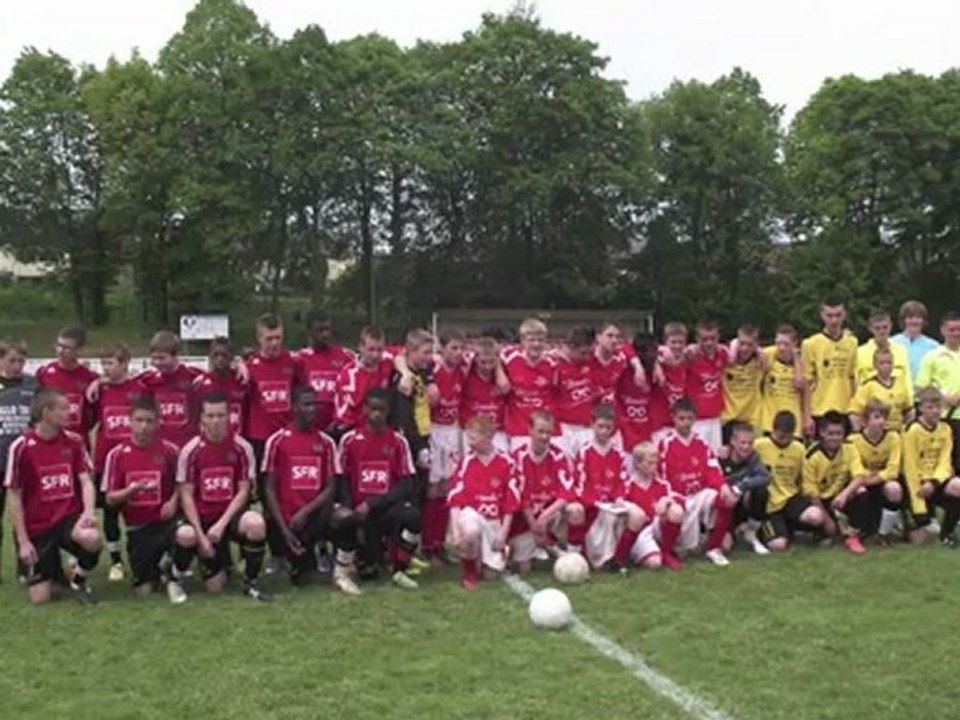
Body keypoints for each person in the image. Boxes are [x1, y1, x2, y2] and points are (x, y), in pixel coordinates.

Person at [4, 389, 101, 604]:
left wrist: (88, 512)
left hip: (67, 519)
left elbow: (86, 481)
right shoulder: (21, 447)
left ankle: (78, 576)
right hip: (38, 527)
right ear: (46, 412)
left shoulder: (74, 441)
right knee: (41, 599)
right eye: (63, 408)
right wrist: (23, 541)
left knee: (91, 538)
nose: (70, 412)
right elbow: (14, 496)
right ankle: (54, 570)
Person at [262, 385, 359, 594]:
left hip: (317, 513)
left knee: (347, 518)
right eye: (306, 404)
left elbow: (331, 486)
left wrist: (307, 511)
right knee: (301, 578)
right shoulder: (277, 441)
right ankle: (303, 560)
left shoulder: (325, 442)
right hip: (291, 520)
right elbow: (269, 489)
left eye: (314, 404)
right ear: (294, 407)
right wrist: (285, 530)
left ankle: (342, 571)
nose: (312, 409)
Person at [175, 391, 270, 601]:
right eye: (210, 416)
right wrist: (201, 536)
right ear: (201, 418)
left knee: (255, 523)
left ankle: (251, 582)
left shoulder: (242, 448)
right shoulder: (190, 450)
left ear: (230, 417)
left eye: (220, 415)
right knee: (214, 587)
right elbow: (187, 496)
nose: (216, 421)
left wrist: (221, 524)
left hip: (229, 517)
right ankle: (175, 571)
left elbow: (244, 491)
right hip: (203, 520)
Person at [103, 396, 187, 603]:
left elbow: (182, 483)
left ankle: (173, 573)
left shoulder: (170, 451)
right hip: (138, 528)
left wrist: (174, 499)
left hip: (166, 523)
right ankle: (161, 567)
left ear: (158, 422)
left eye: (149, 421)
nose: (144, 426)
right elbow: (110, 499)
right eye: (139, 420)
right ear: (129, 421)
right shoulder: (117, 455)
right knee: (144, 591)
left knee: (187, 534)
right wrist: (130, 491)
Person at [338, 388, 422, 590]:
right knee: (369, 574)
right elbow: (341, 479)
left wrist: (374, 502)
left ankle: (400, 568)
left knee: (414, 517)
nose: (377, 414)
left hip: (386, 507)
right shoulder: (350, 440)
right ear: (365, 409)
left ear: (388, 412)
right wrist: (350, 507)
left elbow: (406, 483)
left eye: (382, 410)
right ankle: (352, 563)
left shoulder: (398, 441)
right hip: (361, 512)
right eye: (373, 409)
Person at [243, 314, 298, 574]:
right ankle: (271, 553)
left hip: (288, 441)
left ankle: (293, 548)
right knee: (267, 499)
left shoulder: (293, 363)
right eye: (269, 339)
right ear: (259, 338)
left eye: (278, 338)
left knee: (290, 495)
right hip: (260, 441)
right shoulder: (249, 366)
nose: (274, 343)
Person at [90, 342, 147, 582]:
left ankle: (145, 556)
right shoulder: (100, 390)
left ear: (125, 363)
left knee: (139, 511)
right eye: (103, 363)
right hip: (105, 463)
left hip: (134, 462)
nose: (106, 368)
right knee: (110, 513)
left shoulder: (140, 388)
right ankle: (116, 562)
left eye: (110, 362)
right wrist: (96, 383)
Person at [657, 397, 735, 566]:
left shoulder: (701, 442)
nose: (686, 423)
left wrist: (722, 486)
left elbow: (712, 470)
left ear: (695, 419)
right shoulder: (666, 444)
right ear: (674, 418)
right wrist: (674, 498)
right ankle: (667, 552)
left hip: (699, 494)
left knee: (727, 498)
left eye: (690, 418)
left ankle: (714, 549)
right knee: (675, 513)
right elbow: (662, 479)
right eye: (681, 418)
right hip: (678, 495)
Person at [448, 415, 518, 590]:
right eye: (468, 438)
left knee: (492, 575)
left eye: (473, 438)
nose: (469, 443)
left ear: (488, 437)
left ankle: (484, 558)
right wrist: (456, 531)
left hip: (494, 522)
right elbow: (455, 499)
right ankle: (470, 573)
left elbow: (511, 503)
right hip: (473, 516)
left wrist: (502, 534)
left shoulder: (507, 463)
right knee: (470, 530)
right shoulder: (466, 463)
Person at [566, 404, 636, 569]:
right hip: (592, 503)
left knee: (627, 514)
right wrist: (595, 501)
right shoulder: (585, 452)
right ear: (592, 425)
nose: (604, 431)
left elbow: (622, 480)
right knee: (603, 515)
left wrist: (619, 498)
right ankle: (595, 558)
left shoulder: (618, 454)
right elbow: (580, 484)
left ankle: (617, 558)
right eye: (600, 426)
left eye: (608, 427)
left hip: (611, 503)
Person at [508, 411, 574, 572]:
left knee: (574, 510)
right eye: (540, 431)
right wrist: (532, 522)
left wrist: (545, 516)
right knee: (525, 569)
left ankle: (566, 548)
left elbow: (567, 492)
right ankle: (531, 546)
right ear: (530, 430)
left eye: (549, 432)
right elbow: (519, 495)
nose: (545, 436)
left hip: (548, 515)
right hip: (525, 519)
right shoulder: (517, 457)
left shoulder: (558, 456)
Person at [424, 330, 466, 564]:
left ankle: (440, 543)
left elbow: (493, 354)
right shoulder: (433, 368)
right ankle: (428, 544)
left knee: (446, 488)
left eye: (461, 348)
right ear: (443, 349)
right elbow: (400, 355)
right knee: (432, 489)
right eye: (453, 348)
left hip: (451, 431)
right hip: (433, 430)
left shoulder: (462, 369)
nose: (458, 353)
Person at [802, 412, 870, 554]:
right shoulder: (811, 456)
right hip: (820, 501)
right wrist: (827, 520)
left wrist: (844, 494)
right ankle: (823, 531)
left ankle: (853, 534)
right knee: (818, 520)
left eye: (839, 433)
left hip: (839, 497)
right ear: (821, 433)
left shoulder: (849, 448)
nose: (835, 438)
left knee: (861, 491)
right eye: (831, 433)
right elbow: (811, 493)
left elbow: (860, 476)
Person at [755, 411, 824, 552]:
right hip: (770, 504)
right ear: (773, 430)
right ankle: (763, 528)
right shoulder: (759, 445)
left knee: (816, 516)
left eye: (788, 437)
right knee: (778, 546)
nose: (784, 440)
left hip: (790, 498)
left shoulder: (798, 449)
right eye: (780, 436)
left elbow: (802, 478)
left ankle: (788, 526)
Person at [901, 387, 960, 546]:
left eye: (938, 407)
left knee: (957, 486)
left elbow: (945, 463)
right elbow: (910, 468)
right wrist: (919, 506)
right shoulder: (912, 431)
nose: (935, 411)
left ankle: (946, 535)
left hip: (934, 482)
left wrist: (934, 482)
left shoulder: (945, 429)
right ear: (920, 409)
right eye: (930, 407)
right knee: (921, 538)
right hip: (916, 487)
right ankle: (912, 521)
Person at [0, 339, 38, 581]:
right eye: (12, 360)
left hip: (22, 461)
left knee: (22, 517)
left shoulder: (33, 385)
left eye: (21, 361)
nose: (17, 365)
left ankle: (24, 568)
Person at [846, 400, 903, 546]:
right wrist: (872, 476)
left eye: (884, 417)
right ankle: (857, 530)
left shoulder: (893, 437)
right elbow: (856, 470)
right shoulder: (853, 440)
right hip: (862, 482)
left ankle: (883, 534)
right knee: (858, 489)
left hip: (877, 481)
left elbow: (893, 470)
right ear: (865, 420)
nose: (882, 421)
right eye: (877, 417)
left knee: (895, 489)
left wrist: (874, 478)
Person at [801, 296, 858, 437]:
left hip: (844, 409)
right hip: (819, 410)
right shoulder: (810, 344)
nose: (834, 320)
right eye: (829, 315)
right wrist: (807, 415)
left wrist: (855, 410)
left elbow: (853, 378)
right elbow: (806, 383)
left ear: (844, 315)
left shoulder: (852, 342)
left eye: (838, 315)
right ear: (822, 316)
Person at [624, 442, 685, 570]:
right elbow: (618, 502)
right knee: (654, 563)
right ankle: (631, 555)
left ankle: (667, 552)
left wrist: (667, 500)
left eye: (656, 463)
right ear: (638, 464)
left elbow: (681, 498)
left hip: (657, 527)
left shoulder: (662, 484)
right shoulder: (628, 485)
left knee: (676, 511)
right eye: (650, 463)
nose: (654, 467)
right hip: (640, 532)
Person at [500, 318, 557, 452]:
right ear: (523, 341)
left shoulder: (553, 363)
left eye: (541, 340)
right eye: (531, 340)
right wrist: (499, 373)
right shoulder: (509, 358)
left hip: (544, 432)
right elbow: (487, 355)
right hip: (519, 431)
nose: (536, 344)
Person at [138, 331, 202, 449]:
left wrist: (241, 367)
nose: (157, 363)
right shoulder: (147, 380)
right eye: (154, 358)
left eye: (162, 358)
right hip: (160, 449)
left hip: (188, 446)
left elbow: (221, 379)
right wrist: (99, 382)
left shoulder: (194, 377)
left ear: (176, 355)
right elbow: (121, 382)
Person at [294, 309, 355, 432]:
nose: (325, 334)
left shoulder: (346, 356)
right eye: (320, 330)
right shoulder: (299, 358)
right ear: (310, 332)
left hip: (338, 427)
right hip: (311, 427)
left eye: (327, 329)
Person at [916, 312, 960, 470]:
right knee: (944, 464)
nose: (956, 333)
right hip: (941, 418)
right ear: (942, 330)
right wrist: (943, 398)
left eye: (958, 329)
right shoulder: (932, 356)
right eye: (952, 329)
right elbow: (921, 388)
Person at [36, 325, 98, 437]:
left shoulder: (90, 378)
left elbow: (94, 415)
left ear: (80, 350)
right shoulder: (44, 374)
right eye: (59, 345)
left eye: (67, 347)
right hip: (50, 440)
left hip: (78, 441)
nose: (60, 351)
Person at [719, 422, 771, 555]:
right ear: (733, 441)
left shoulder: (754, 457)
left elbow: (765, 477)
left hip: (741, 504)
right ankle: (725, 531)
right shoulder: (721, 459)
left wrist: (740, 487)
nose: (746, 447)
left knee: (761, 491)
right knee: (725, 547)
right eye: (742, 443)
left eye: (750, 443)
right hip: (723, 507)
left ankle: (751, 532)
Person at [333, 326, 393, 437]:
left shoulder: (387, 362)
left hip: (381, 430)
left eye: (379, 350)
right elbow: (343, 417)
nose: (375, 355)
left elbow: (406, 353)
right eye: (371, 349)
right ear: (361, 347)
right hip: (354, 432)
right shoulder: (349, 375)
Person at [685, 321, 729, 451]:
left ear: (718, 338)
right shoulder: (690, 356)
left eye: (712, 339)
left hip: (716, 418)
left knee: (714, 459)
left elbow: (739, 345)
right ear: (697, 339)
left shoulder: (723, 354)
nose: (709, 343)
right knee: (697, 457)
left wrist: (758, 350)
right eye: (704, 339)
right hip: (697, 419)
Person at [460, 336, 509, 453]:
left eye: (491, 361)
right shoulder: (467, 372)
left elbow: (505, 388)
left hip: (496, 432)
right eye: (483, 362)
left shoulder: (502, 371)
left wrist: (497, 366)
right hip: (472, 432)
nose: (487, 366)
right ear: (476, 358)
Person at [554, 327, 597, 458]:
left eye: (589, 353)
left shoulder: (591, 362)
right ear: (570, 347)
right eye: (583, 353)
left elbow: (625, 348)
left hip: (587, 427)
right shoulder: (553, 364)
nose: (587, 357)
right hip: (564, 429)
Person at [192, 337, 249, 437]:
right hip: (210, 441)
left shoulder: (242, 381)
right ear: (210, 356)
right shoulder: (199, 383)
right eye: (216, 355)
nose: (220, 359)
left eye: (224, 355)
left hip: (238, 440)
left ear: (231, 357)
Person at [848, 346, 913, 432]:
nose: (886, 366)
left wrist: (908, 428)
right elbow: (854, 413)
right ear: (875, 365)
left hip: (897, 434)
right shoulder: (868, 386)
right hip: (877, 434)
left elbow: (909, 411)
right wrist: (860, 432)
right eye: (882, 363)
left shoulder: (900, 384)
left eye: (889, 362)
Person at [721, 325, 765, 442]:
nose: (744, 348)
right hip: (727, 419)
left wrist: (760, 351)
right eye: (742, 343)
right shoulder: (724, 359)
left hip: (751, 419)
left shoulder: (760, 361)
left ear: (756, 344)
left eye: (750, 344)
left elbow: (786, 348)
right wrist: (733, 344)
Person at [616, 333, 658, 453]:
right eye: (650, 352)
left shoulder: (655, 372)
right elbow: (623, 347)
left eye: (655, 351)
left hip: (648, 440)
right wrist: (637, 365)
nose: (654, 355)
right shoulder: (623, 370)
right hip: (625, 439)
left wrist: (657, 365)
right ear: (639, 353)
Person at [759, 325, 804, 436]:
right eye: (778, 343)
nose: (782, 347)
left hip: (793, 419)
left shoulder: (801, 361)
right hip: (770, 420)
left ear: (795, 343)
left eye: (786, 344)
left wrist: (796, 358)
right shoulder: (769, 354)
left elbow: (799, 384)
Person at [650, 322, 688, 445]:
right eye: (673, 342)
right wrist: (656, 362)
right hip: (659, 425)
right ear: (665, 342)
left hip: (679, 425)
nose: (677, 346)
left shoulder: (687, 362)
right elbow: (632, 348)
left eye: (680, 342)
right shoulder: (657, 361)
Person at [856, 309, 911, 388]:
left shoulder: (901, 351)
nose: (882, 331)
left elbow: (907, 380)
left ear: (890, 326)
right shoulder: (860, 353)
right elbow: (857, 381)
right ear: (870, 328)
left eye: (885, 327)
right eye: (877, 328)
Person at [891, 300, 939, 383]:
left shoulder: (934, 346)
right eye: (910, 317)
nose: (914, 321)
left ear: (924, 321)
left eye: (918, 317)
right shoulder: (892, 343)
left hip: (924, 391)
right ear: (904, 320)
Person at [590, 322, 627, 406]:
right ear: (598, 337)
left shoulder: (622, 362)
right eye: (609, 336)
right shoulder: (586, 359)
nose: (614, 340)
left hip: (614, 413)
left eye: (617, 337)